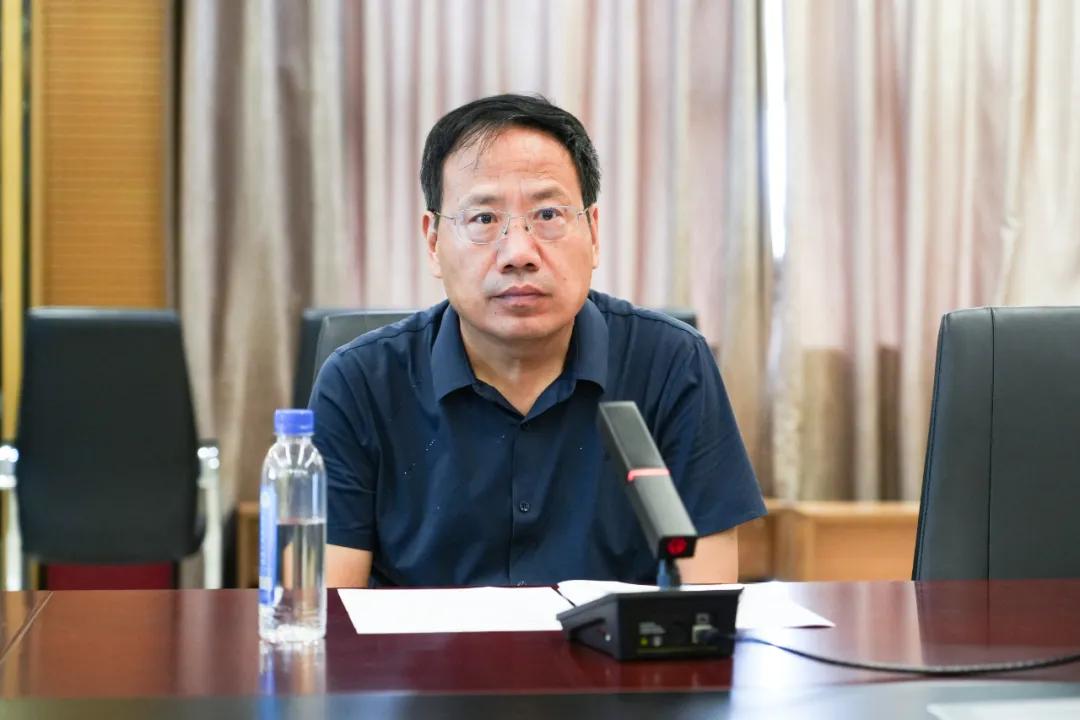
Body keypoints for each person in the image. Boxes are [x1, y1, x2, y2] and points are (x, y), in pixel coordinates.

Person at [313, 94, 765, 588]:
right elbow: (325, 611)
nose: (519, 252)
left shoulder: (673, 365)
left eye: (548, 214)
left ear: (593, 233)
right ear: (434, 242)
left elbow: (704, 601)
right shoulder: (360, 384)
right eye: (483, 219)